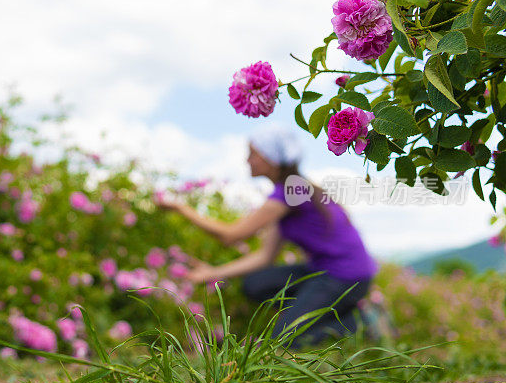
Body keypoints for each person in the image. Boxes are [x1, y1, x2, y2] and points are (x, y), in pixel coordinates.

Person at [158, 123, 378, 346]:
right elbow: (265, 257)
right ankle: (322, 314)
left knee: (286, 340)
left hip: (347, 276)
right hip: (323, 271)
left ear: (271, 159)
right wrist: (213, 272)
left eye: (253, 154)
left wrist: (182, 209)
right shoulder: (291, 191)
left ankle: (358, 323)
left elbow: (231, 236)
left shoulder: (289, 193)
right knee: (255, 283)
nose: (247, 160)